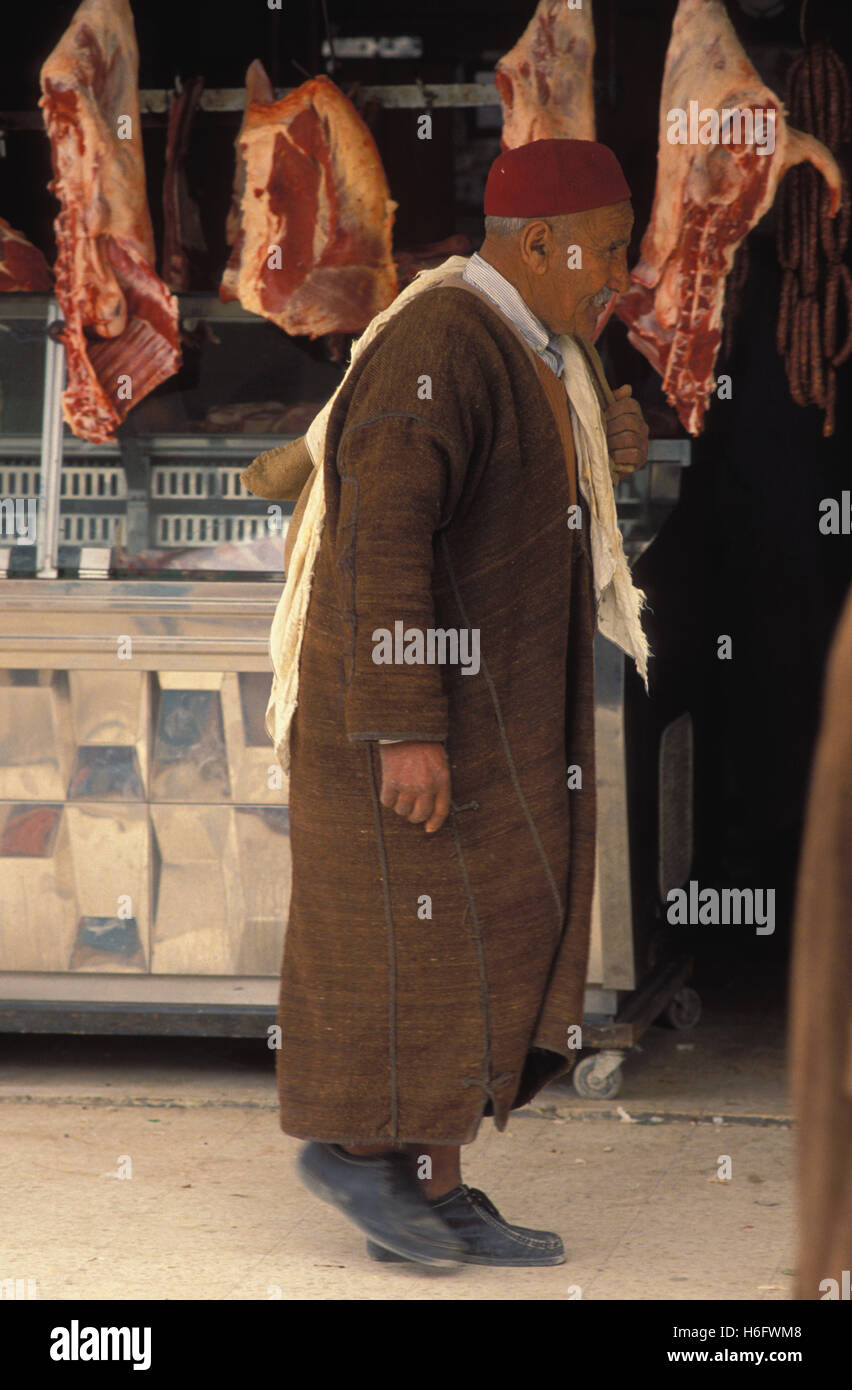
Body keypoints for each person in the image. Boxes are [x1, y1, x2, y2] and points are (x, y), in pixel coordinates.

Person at [276, 138, 650, 1267]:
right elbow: (383, 535)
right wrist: (404, 728)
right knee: (408, 954)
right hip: (409, 721)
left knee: (473, 953)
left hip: (481, 717)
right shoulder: (442, 339)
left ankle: (434, 1186)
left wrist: (601, 456)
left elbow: (508, 496)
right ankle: (354, 1157)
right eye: (612, 248)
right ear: (540, 243)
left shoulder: (537, 346)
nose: (620, 274)